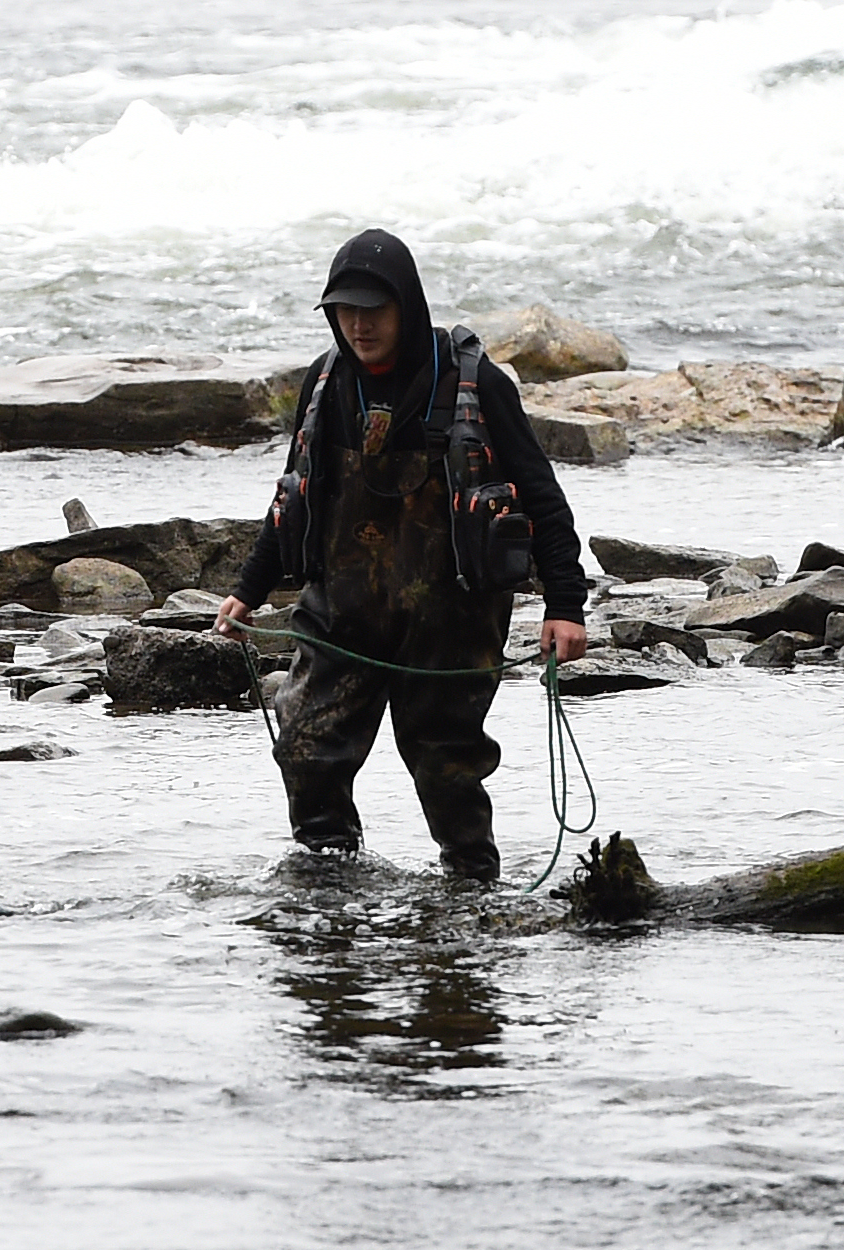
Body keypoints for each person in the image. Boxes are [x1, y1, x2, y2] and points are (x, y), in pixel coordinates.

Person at [217, 229, 591, 881]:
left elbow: (543, 498)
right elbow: (290, 497)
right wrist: (248, 589)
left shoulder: (477, 384)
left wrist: (564, 604)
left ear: (408, 307)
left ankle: (470, 896)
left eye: (374, 309)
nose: (358, 324)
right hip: (343, 615)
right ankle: (327, 881)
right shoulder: (326, 382)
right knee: (305, 748)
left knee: (446, 769)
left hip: (451, 620)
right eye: (344, 309)